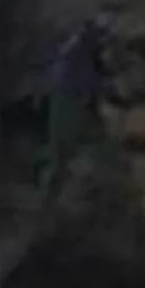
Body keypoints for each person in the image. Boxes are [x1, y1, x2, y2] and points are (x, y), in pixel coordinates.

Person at [39, 16, 125, 211]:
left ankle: (50, 201)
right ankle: (101, 195)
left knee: (62, 157)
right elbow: (92, 82)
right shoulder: (80, 57)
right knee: (91, 150)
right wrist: (114, 98)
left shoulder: (74, 51)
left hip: (65, 106)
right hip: (74, 107)